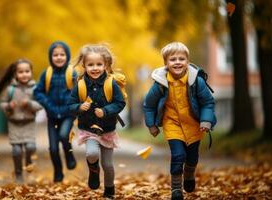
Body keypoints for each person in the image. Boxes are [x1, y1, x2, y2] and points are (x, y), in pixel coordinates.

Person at [143, 42, 216, 200]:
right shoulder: (160, 84)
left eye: (181, 59)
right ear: (166, 64)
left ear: (187, 62)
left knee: (192, 157)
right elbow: (148, 105)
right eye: (173, 59)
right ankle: (176, 188)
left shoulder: (196, 81)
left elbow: (207, 102)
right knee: (178, 155)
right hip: (172, 124)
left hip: (194, 125)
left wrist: (206, 120)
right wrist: (151, 125)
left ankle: (189, 174)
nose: (177, 62)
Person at [68, 44, 126, 199]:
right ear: (84, 66)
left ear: (105, 65)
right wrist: (80, 107)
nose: (95, 68)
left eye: (99, 64)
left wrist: (106, 111)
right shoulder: (80, 85)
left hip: (107, 130)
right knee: (92, 153)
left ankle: (109, 190)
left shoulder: (110, 83)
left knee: (108, 165)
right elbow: (70, 105)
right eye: (90, 64)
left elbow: (120, 103)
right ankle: (93, 170)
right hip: (88, 130)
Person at [34, 41, 77, 182]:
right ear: (50, 57)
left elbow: (79, 92)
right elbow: (38, 91)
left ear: (67, 56)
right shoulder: (46, 74)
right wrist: (48, 104)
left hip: (68, 114)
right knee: (53, 148)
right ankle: (58, 172)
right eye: (55, 55)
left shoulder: (72, 74)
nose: (59, 57)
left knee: (64, 136)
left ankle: (69, 155)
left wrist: (72, 107)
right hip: (52, 115)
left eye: (62, 54)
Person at [0, 58, 42, 183]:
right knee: (16, 151)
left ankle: (29, 162)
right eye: (21, 72)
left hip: (29, 123)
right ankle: (18, 173)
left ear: (31, 72)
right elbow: (2, 104)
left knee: (31, 147)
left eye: (27, 71)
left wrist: (30, 104)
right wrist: (9, 106)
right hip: (14, 123)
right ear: (15, 74)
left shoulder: (35, 88)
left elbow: (40, 105)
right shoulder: (10, 89)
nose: (24, 74)